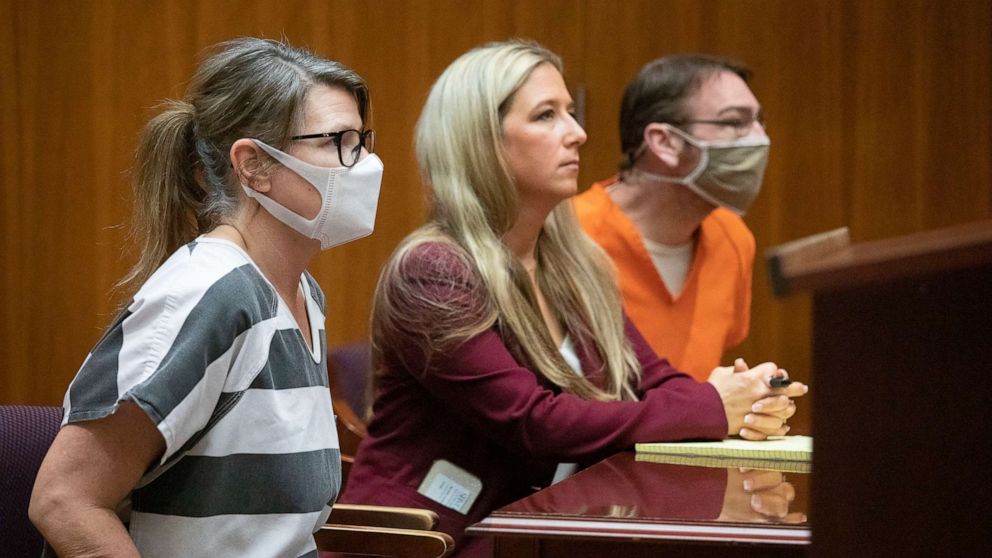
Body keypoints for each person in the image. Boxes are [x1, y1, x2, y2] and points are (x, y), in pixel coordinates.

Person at [338, 41, 805, 557]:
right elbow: (535, 423)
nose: (578, 133)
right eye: (546, 115)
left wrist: (745, 397)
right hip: (431, 540)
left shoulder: (575, 263)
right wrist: (714, 407)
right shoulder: (433, 272)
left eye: (570, 113)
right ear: (481, 142)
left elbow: (651, 377)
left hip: (536, 532)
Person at [29, 37, 383, 558]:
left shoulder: (303, 293)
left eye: (361, 141)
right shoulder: (212, 295)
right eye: (337, 141)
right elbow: (64, 501)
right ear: (254, 164)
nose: (364, 164)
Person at [574, 54, 768, 381]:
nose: (760, 138)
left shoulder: (734, 238)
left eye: (760, 121)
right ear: (664, 142)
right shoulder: (567, 236)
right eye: (736, 122)